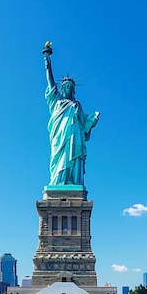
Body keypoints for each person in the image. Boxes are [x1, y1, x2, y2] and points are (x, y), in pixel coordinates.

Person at [43, 42, 100, 186]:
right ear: (61, 89)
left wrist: (92, 120)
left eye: (70, 87)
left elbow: (84, 124)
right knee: (59, 159)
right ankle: (59, 182)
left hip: (74, 138)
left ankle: (72, 181)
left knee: (73, 158)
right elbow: (50, 82)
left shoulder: (77, 105)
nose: (67, 88)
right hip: (59, 137)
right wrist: (47, 61)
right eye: (65, 86)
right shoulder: (55, 101)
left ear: (73, 90)